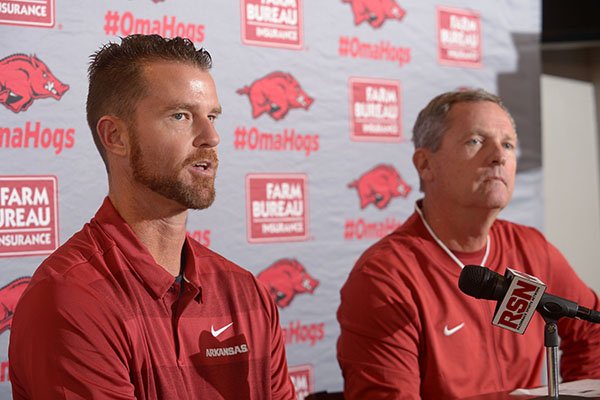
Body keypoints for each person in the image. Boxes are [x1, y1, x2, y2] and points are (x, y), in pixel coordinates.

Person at [9, 34, 295, 400]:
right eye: (181, 116)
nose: (210, 136)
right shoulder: (70, 299)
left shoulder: (246, 292)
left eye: (211, 116)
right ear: (115, 136)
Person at [336, 88, 600, 399]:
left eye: (508, 144)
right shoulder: (385, 277)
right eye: (475, 141)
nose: (498, 156)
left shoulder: (532, 248)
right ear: (425, 165)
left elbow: (592, 331)